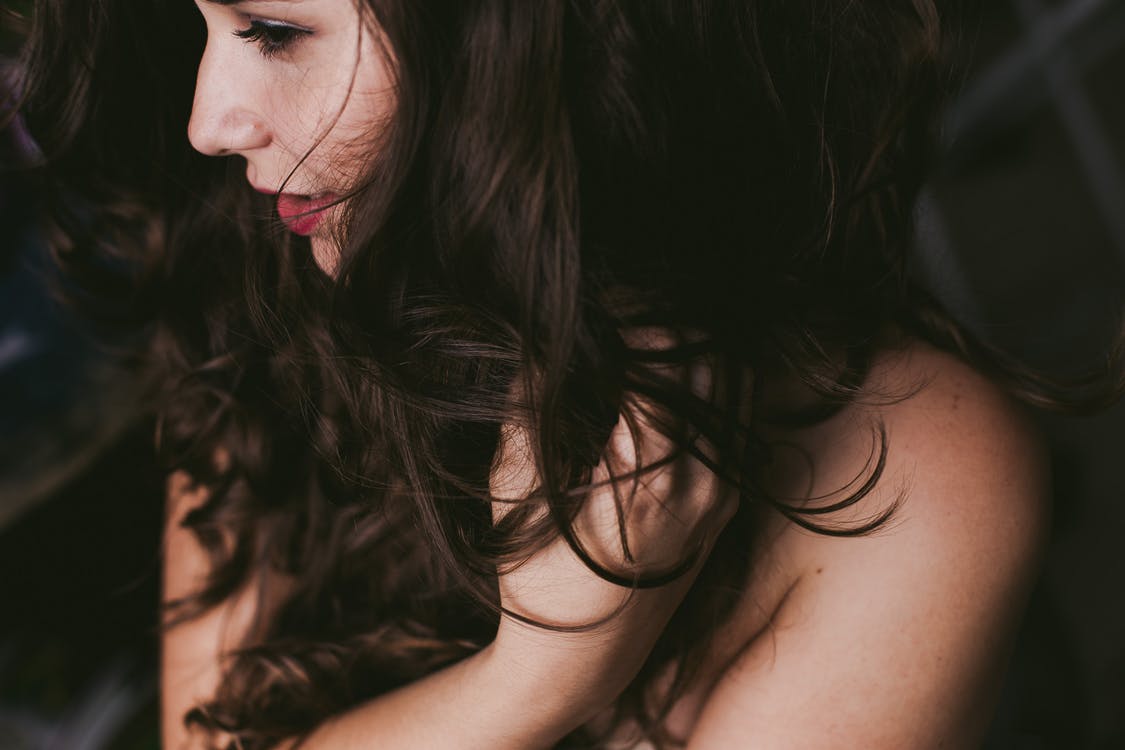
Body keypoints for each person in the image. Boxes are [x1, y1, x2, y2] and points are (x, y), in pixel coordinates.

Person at [13, 0, 1103, 747]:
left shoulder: (918, 469)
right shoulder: (265, 271)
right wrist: (536, 680)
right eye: (203, 25)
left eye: (276, 30)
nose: (211, 121)